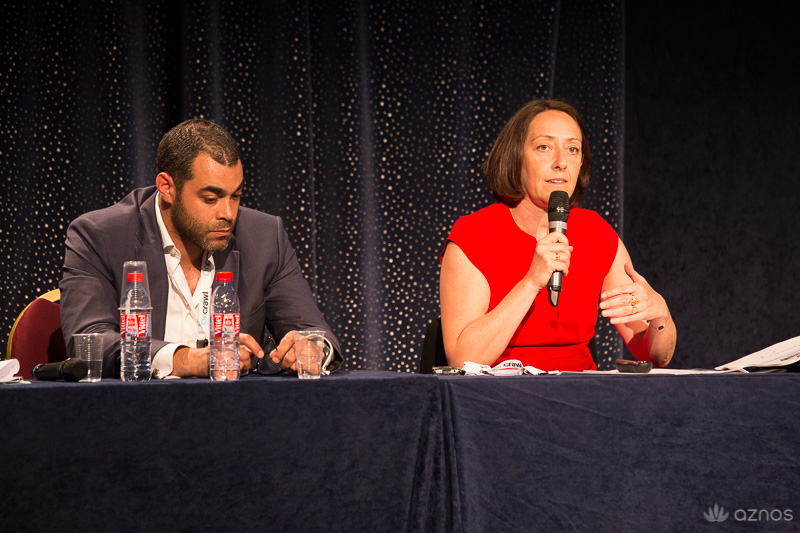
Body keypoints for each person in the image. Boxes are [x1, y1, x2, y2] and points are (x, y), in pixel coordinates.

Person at [60, 118, 342, 378]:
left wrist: (314, 349)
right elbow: (89, 340)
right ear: (166, 187)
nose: (229, 213)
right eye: (211, 198)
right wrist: (187, 360)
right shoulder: (100, 236)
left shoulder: (266, 237)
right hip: (135, 410)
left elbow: (313, 331)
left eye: (236, 196)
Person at [439, 99, 675, 371]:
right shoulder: (474, 235)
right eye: (544, 147)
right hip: (499, 395)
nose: (561, 162)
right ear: (516, 157)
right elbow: (462, 359)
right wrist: (529, 283)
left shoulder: (595, 232)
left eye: (573, 149)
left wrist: (660, 316)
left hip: (582, 398)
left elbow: (656, 357)